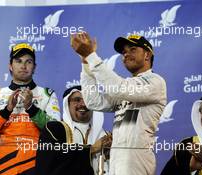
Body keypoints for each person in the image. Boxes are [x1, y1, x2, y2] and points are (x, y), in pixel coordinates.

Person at [71, 33, 167, 175]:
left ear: (147, 55)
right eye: (124, 52)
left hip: (137, 158)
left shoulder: (155, 81)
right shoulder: (127, 90)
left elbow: (119, 88)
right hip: (117, 158)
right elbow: (93, 101)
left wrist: (91, 56)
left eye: (132, 49)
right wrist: (85, 63)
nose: (126, 55)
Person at [0, 43, 60, 175]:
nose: (23, 66)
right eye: (18, 61)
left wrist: (31, 109)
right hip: (4, 166)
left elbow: (56, 131)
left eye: (28, 61)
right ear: (10, 66)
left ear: (34, 67)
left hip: (37, 164)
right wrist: (6, 111)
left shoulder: (47, 94)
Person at [35, 85, 112, 175]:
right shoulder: (54, 130)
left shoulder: (105, 136)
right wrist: (92, 149)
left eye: (87, 100)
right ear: (67, 105)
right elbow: (51, 163)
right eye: (77, 100)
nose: (83, 104)